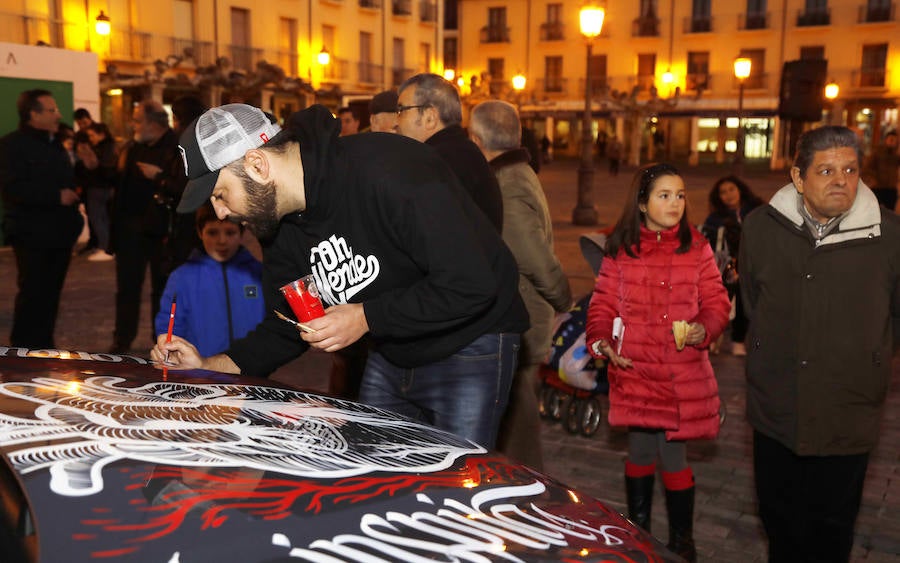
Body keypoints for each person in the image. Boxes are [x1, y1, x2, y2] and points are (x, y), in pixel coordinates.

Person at [151, 103, 529, 449]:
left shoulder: (388, 170)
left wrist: (366, 317)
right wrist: (208, 365)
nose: (219, 214)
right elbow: (289, 324)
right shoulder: (276, 225)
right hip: (392, 350)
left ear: (257, 165)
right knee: (376, 479)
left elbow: (472, 282)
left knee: (455, 489)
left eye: (220, 194)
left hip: (470, 343)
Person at [739, 125, 900, 563]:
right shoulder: (759, 227)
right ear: (797, 178)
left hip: (847, 408)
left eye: (849, 169)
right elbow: (752, 300)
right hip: (777, 402)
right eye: (826, 170)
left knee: (831, 528)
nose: (841, 180)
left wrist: (868, 358)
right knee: (778, 519)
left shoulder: (889, 235)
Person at [585, 163, 731, 562]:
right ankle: (639, 532)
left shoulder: (697, 247)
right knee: (640, 452)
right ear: (643, 204)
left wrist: (706, 327)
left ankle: (683, 541)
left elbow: (717, 302)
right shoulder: (621, 250)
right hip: (635, 369)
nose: (675, 203)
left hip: (681, 373)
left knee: (674, 454)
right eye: (664, 195)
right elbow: (602, 304)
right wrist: (600, 341)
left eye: (680, 195)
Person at [469, 100, 571, 470]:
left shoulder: (506, 183)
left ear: (477, 139)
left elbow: (533, 257)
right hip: (526, 318)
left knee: (520, 431)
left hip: (524, 321)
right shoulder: (518, 172)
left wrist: (563, 298)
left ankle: (525, 498)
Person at [0, 89, 83, 348]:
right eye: (52, 110)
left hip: (59, 235)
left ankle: (44, 348)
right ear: (33, 114)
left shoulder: (54, 143)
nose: (58, 115)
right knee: (33, 294)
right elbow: (11, 189)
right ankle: (23, 351)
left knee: (51, 295)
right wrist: (56, 196)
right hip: (32, 234)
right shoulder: (11, 145)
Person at [109, 99, 179, 354]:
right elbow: (117, 181)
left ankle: (160, 341)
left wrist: (159, 177)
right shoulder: (133, 147)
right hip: (129, 231)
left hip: (161, 232)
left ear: (152, 123)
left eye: (137, 120)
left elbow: (181, 188)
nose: (133, 125)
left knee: (162, 290)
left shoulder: (175, 148)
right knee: (127, 288)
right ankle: (122, 339)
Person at [396, 72, 503, 231]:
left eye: (401, 110)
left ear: (430, 118)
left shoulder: (437, 163)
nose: (395, 122)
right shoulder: (461, 153)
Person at [154, 203, 264, 357]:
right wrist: (171, 350)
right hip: (200, 373)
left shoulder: (257, 273)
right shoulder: (182, 277)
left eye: (230, 232)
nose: (222, 240)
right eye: (212, 233)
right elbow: (170, 325)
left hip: (251, 371)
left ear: (242, 233)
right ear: (200, 233)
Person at [700, 175, 764, 356]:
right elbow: (709, 244)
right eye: (723, 192)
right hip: (726, 266)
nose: (728, 195)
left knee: (748, 299)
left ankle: (739, 339)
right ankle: (716, 336)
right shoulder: (715, 218)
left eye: (731, 189)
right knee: (721, 298)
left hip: (755, 263)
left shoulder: (758, 209)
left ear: (740, 189)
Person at [76, 122, 118, 261]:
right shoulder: (110, 147)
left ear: (101, 134)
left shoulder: (103, 149)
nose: (91, 138)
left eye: (92, 135)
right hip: (104, 186)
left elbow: (97, 167)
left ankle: (105, 248)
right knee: (103, 218)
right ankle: (106, 246)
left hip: (99, 187)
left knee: (98, 218)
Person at [862, 130, 899, 211]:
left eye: (894, 140)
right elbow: (868, 167)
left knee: (890, 212)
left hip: (891, 188)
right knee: (874, 210)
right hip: (878, 187)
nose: (892, 142)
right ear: (886, 140)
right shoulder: (878, 152)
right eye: (891, 139)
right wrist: (873, 179)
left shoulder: (896, 154)